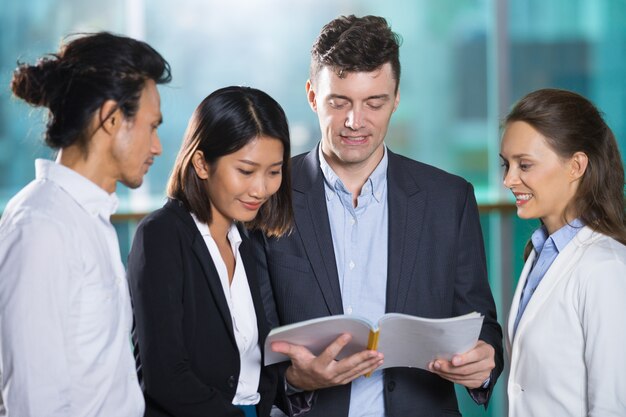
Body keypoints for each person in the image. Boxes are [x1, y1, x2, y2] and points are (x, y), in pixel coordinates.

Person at [254, 15, 503, 416]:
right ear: (313, 96)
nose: (356, 122)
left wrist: (484, 358)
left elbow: (481, 323)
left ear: (396, 98)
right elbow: (247, 344)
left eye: (375, 102)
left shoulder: (449, 199)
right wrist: (295, 380)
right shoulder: (267, 197)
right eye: (340, 102)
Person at [0, 32, 171, 417]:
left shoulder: (90, 220)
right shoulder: (41, 227)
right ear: (111, 119)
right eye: (151, 126)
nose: (157, 146)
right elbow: (33, 402)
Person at [127, 86, 293, 417]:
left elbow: (253, 361)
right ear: (202, 163)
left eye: (273, 172)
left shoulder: (247, 239)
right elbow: (165, 377)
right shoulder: (161, 235)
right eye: (246, 171)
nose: (261, 189)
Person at [500, 88, 626, 416]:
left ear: (576, 166)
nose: (509, 180)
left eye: (524, 165)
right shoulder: (540, 255)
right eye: (507, 165)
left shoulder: (605, 268)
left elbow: (613, 405)